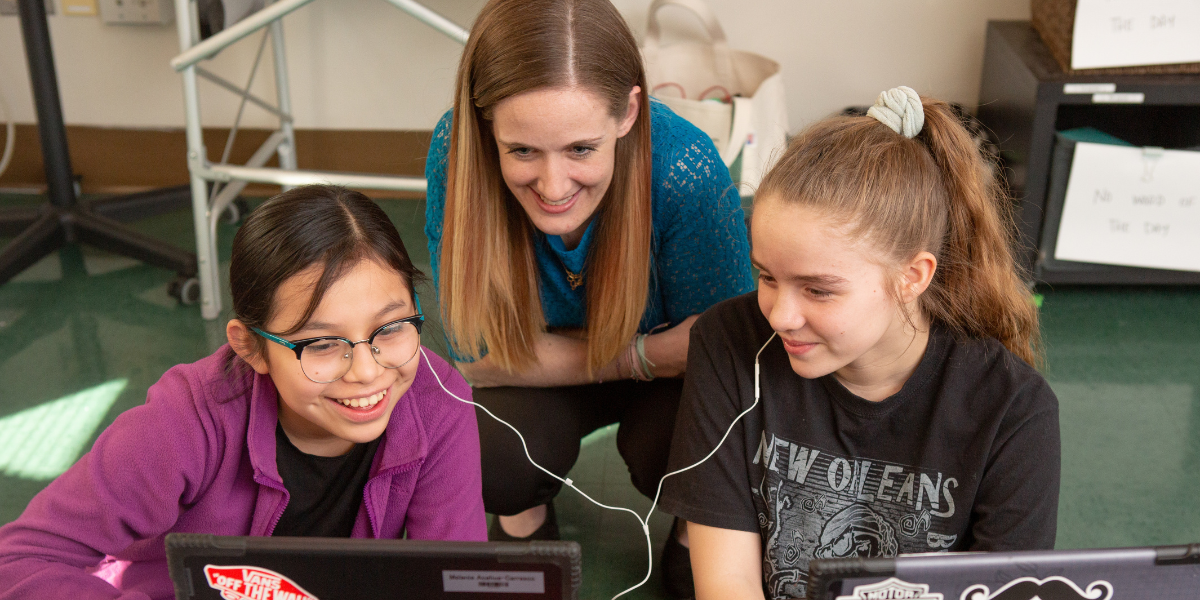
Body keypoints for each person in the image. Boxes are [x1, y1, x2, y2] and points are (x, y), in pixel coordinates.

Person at [660, 87, 1061, 600]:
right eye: (766, 276)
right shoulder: (728, 342)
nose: (781, 316)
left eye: (818, 289)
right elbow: (728, 583)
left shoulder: (1015, 410)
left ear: (912, 276)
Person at [0, 185, 486, 598]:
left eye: (392, 328)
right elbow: (20, 557)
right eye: (319, 343)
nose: (366, 371)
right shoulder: (184, 422)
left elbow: (456, 581)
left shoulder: (438, 400)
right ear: (251, 347)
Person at [423, 0, 752, 587]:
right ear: (486, 124)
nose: (553, 187)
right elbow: (478, 358)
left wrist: (646, 360)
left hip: (646, 384)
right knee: (491, 455)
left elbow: (723, 356)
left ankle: (689, 529)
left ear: (628, 112)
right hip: (611, 366)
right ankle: (522, 518)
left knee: (691, 449)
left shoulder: (684, 167)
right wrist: (641, 354)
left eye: (580, 149)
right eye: (522, 150)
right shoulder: (459, 153)